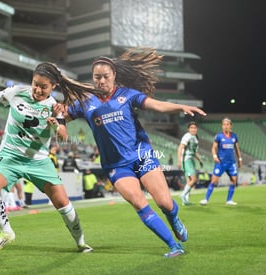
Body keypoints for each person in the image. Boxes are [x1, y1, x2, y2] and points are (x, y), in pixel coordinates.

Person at [54, 47, 206, 257]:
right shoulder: (85, 102)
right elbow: (63, 119)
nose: (101, 81)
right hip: (116, 165)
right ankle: (174, 245)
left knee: (165, 203)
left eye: (105, 77)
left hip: (142, 155)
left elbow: (157, 105)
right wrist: (58, 118)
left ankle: (174, 219)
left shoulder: (128, 95)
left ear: (114, 75)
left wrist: (179, 107)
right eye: (97, 77)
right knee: (138, 202)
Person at [0, 62, 97, 253]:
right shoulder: (17, 92)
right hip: (10, 157)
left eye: (43, 86)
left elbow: (63, 137)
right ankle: (6, 232)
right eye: (35, 84)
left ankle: (80, 241)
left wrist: (56, 124)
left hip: (38, 161)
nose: (38, 89)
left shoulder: (55, 107)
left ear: (53, 86)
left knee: (63, 204)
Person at [200, 117, 242, 206]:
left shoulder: (234, 136)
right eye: (224, 124)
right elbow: (213, 148)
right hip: (221, 163)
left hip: (231, 163)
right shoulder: (219, 136)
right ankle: (206, 199)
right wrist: (215, 156)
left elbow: (237, 149)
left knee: (234, 180)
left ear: (231, 126)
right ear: (222, 126)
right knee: (214, 180)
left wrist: (240, 159)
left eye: (227, 124)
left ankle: (229, 200)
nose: (225, 126)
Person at [177, 121, 203, 205]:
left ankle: (185, 201)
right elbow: (180, 147)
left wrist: (200, 160)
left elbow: (194, 152)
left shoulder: (195, 138)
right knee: (194, 179)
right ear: (188, 129)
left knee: (189, 181)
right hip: (186, 160)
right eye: (191, 127)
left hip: (191, 160)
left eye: (194, 128)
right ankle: (183, 195)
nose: (193, 129)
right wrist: (179, 160)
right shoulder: (187, 136)